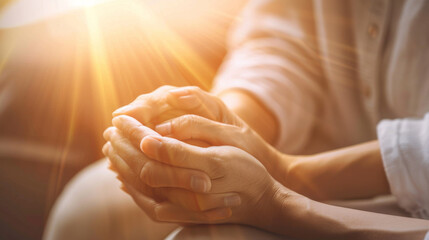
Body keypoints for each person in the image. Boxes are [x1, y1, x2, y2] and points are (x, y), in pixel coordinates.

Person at [44, 0, 429, 239]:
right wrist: (227, 126)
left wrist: (286, 176)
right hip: (320, 136)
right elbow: (284, 38)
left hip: (410, 196)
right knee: (87, 207)